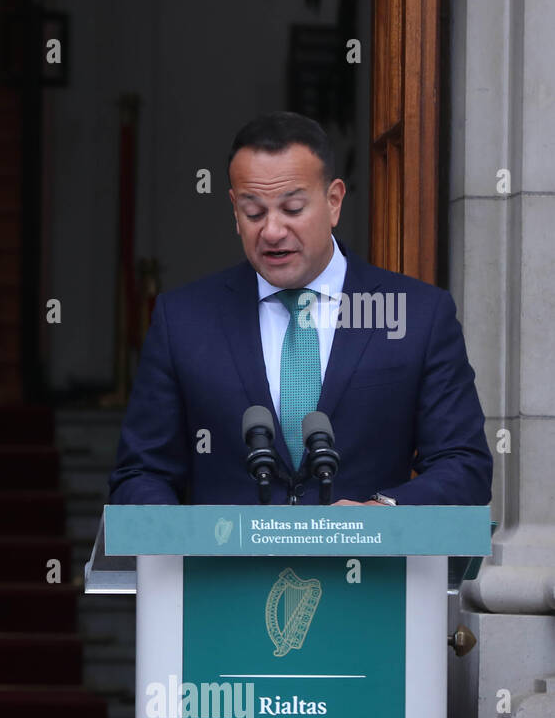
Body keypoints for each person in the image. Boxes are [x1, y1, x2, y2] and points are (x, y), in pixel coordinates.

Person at [108, 112, 492, 507]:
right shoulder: (184, 320)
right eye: (253, 212)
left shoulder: (417, 315)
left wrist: (385, 515)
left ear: (334, 201)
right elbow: (141, 473)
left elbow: (464, 467)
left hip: (365, 567)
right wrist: (181, 546)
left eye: (292, 209)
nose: (272, 231)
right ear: (234, 209)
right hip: (227, 567)